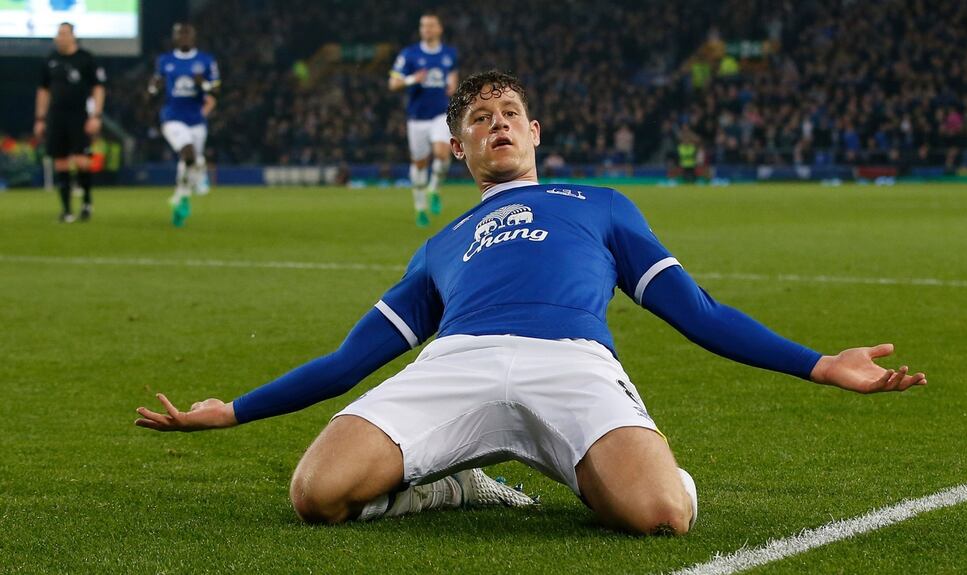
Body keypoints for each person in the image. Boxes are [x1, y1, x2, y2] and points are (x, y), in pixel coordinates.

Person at [136, 71, 926, 536]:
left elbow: (700, 311)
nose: (497, 123)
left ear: (535, 130)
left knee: (660, 516)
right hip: (456, 364)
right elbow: (350, 360)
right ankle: (450, 482)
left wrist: (821, 364)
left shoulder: (602, 203)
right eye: (479, 119)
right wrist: (234, 410)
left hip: (573, 363)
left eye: (509, 112)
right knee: (315, 494)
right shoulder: (440, 245)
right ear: (460, 149)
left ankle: (625, 462)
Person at [387, 13, 458, 227]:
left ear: (439, 29)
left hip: (439, 113)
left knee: (443, 153)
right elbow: (393, 83)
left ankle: (434, 189)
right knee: (419, 164)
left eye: (430, 26)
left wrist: (453, 84)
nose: (426, 29)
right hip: (417, 118)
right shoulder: (409, 55)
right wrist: (412, 79)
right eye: (423, 26)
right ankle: (420, 208)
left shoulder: (449, 53)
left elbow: (452, 73)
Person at [147, 23, 219, 228]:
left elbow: (216, 90)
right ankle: (194, 179)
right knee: (189, 154)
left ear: (194, 37)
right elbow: (153, 88)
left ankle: (181, 200)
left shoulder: (206, 61)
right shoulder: (165, 61)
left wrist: (202, 84)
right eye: (180, 34)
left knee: (188, 162)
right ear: (175, 37)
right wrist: (153, 88)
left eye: (188, 34)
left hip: (197, 119)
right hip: (172, 117)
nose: (184, 37)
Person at [34, 22, 105, 223]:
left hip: (79, 115)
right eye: (58, 34)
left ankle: (86, 202)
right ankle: (66, 210)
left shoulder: (86, 59)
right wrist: (40, 118)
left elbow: (98, 88)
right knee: (61, 162)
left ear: (73, 36)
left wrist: (96, 115)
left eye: (64, 33)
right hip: (56, 116)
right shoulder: (50, 60)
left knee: (82, 160)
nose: (60, 37)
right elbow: (43, 91)